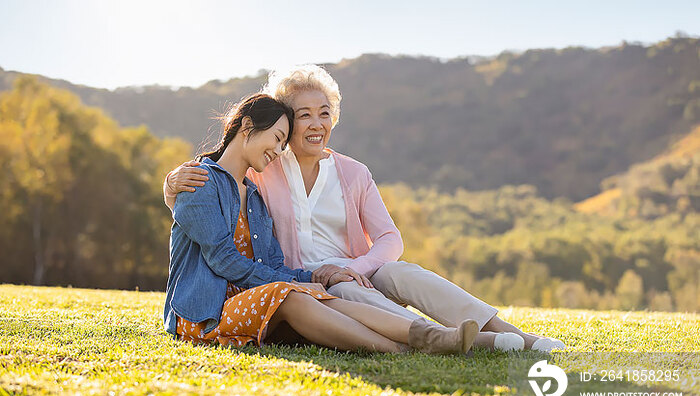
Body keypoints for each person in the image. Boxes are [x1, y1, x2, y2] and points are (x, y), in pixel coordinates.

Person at [165, 67, 565, 353]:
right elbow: (207, 192)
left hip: (348, 271)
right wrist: (170, 187)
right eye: (302, 115)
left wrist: (360, 267)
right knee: (343, 289)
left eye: (324, 112)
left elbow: (390, 238)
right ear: (283, 124)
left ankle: (511, 333)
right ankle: (448, 340)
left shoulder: (352, 172)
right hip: (305, 280)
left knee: (402, 272)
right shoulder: (265, 171)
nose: (316, 123)